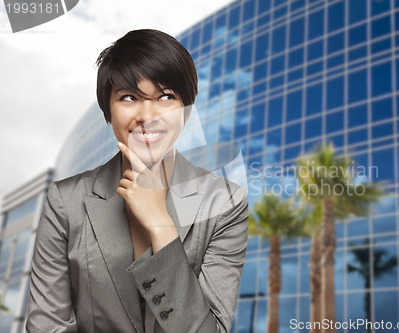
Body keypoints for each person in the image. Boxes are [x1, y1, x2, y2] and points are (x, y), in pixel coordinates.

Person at [26, 29, 249, 333]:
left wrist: (160, 225)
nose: (147, 115)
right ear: (108, 110)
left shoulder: (224, 202)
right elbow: (47, 326)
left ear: (186, 110)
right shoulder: (66, 201)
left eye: (166, 97)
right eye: (129, 97)